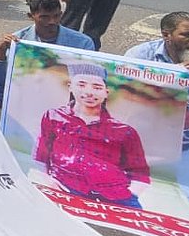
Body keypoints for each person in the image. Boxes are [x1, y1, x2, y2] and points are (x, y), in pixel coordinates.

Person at [34, 62, 150, 207]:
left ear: (106, 92)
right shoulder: (53, 117)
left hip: (116, 197)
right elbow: (40, 157)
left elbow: (141, 174)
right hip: (64, 188)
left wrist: (129, 195)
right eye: (81, 85)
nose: (89, 92)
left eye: (97, 87)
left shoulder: (125, 131)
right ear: (70, 86)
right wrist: (48, 181)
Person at [0, 0, 95, 103]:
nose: (52, 21)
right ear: (31, 16)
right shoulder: (18, 40)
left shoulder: (83, 42)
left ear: (61, 14)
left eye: (56, 16)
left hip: (65, 91)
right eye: (45, 17)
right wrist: (1, 52)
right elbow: (1, 80)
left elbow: (89, 78)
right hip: (30, 90)